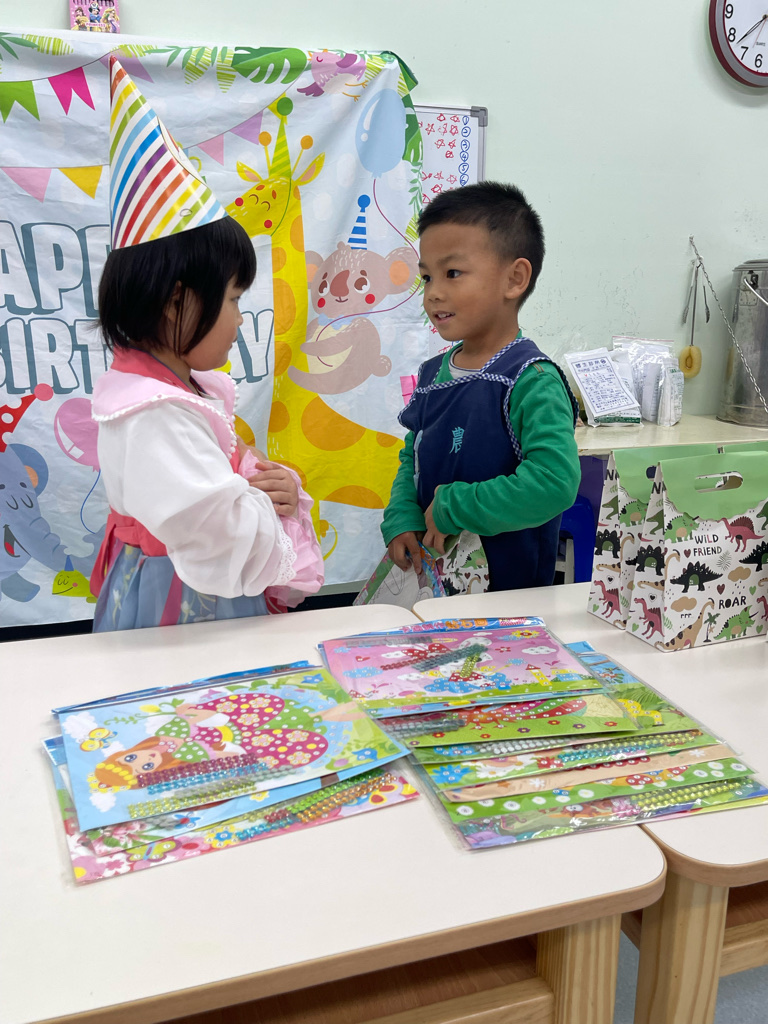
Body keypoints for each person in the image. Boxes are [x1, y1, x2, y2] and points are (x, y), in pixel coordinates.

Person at [90, 58, 322, 630]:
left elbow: (218, 483)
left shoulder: (177, 391)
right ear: (177, 302)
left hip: (189, 584)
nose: (240, 319)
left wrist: (269, 484)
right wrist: (264, 499)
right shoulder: (152, 412)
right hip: (180, 599)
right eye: (234, 298)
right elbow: (221, 529)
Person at [381, 181, 580, 592]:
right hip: (434, 588)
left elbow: (554, 483)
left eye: (453, 273)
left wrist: (456, 505)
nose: (434, 293)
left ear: (514, 279)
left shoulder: (531, 380)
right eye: (427, 277)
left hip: (508, 599)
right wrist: (401, 514)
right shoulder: (432, 374)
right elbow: (412, 456)